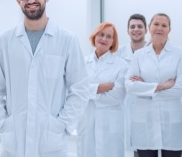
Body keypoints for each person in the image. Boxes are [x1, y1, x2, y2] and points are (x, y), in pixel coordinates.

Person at [0, 0, 89, 157]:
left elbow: (79, 88)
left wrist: (62, 124)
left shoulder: (66, 40)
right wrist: (2, 124)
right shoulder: (4, 41)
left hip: (52, 140)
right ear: (18, 0)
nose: (31, 0)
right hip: (13, 141)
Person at [125, 13, 182, 157]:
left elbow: (179, 89)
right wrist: (161, 86)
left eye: (164, 25)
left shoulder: (179, 54)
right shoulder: (139, 55)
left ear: (169, 29)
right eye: (156, 24)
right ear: (149, 28)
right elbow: (130, 86)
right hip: (145, 121)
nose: (159, 28)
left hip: (171, 121)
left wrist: (145, 88)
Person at [77, 22, 127, 157]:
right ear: (95, 37)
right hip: (87, 120)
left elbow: (118, 95)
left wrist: (89, 91)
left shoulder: (121, 65)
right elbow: (75, 90)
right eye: (101, 34)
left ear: (113, 42)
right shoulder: (82, 62)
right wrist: (101, 88)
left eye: (109, 36)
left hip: (110, 124)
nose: (104, 39)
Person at [117, 14, 147, 157]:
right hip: (124, 112)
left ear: (146, 30)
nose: (136, 29)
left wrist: (145, 84)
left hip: (148, 112)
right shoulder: (118, 53)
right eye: (132, 27)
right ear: (127, 31)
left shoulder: (154, 52)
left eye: (140, 26)